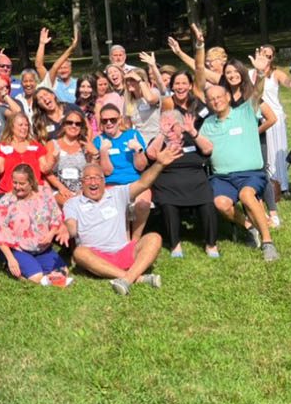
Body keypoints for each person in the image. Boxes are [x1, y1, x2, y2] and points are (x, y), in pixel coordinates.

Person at [63, 152, 180, 296]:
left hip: (124, 251)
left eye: (97, 178)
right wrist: (66, 228)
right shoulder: (72, 204)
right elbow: (71, 227)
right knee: (79, 253)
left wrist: (159, 164)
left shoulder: (118, 193)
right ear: (82, 182)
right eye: (88, 178)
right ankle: (137, 277)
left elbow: (143, 183)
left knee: (154, 237)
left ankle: (127, 279)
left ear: (104, 181)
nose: (93, 182)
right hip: (97, 257)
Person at [201, 83, 280, 262]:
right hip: (222, 177)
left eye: (219, 97)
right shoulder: (207, 124)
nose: (216, 101)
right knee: (220, 203)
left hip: (250, 173)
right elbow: (201, 146)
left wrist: (260, 74)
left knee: (246, 195)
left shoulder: (245, 112)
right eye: (211, 99)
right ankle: (249, 226)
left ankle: (268, 242)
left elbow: (258, 92)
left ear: (228, 97)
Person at [146, 111, 218, 257]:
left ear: (181, 126)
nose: (169, 129)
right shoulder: (159, 142)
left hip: (197, 184)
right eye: (165, 125)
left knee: (207, 202)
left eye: (173, 126)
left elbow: (209, 148)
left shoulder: (191, 139)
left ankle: (211, 244)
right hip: (168, 185)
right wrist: (162, 134)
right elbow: (151, 154)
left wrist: (192, 131)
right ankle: (175, 245)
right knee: (168, 203)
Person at [0, 164, 68, 285]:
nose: (17, 187)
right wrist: (11, 259)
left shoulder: (45, 193)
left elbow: (56, 215)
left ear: (31, 182)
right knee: (36, 278)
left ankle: (33, 264)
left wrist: (51, 234)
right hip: (17, 249)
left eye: (22, 184)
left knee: (63, 273)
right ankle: (10, 265)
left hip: (42, 248)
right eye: (15, 182)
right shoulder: (6, 201)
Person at [93, 104, 151, 241]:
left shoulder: (133, 135)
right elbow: (107, 172)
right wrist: (103, 152)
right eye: (104, 120)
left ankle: (135, 240)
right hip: (112, 183)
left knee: (143, 204)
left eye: (112, 119)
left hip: (135, 182)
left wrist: (138, 150)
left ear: (119, 120)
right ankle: (124, 241)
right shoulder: (99, 141)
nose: (108, 123)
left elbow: (141, 167)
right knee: (118, 208)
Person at [252, 45, 291, 200]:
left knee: (276, 151)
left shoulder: (276, 74)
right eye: (263, 54)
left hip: (275, 117)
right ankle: (263, 183)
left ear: (272, 58)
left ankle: (282, 185)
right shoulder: (251, 73)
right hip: (256, 115)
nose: (266, 58)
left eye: (269, 56)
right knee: (261, 151)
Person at [0, 111, 52, 199]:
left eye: (26, 125)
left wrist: (54, 158)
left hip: (34, 193)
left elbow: (44, 169)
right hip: (9, 193)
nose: (24, 128)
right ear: (12, 127)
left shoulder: (35, 145)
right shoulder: (3, 146)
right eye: (21, 125)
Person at [46, 111, 98, 206]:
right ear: (64, 125)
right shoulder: (53, 144)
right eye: (70, 122)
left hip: (83, 190)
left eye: (78, 124)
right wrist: (61, 188)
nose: (73, 126)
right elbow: (47, 171)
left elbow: (92, 171)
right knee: (70, 205)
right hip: (60, 190)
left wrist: (95, 154)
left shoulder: (86, 146)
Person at [34, 27, 79, 103]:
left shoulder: (78, 83)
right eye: (60, 68)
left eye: (65, 67)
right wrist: (42, 44)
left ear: (70, 68)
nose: (62, 70)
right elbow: (39, 66)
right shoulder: (52, 81)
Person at [123, 67, 161, 143]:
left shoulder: (154, 92)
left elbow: (150, 99)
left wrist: (140, 81)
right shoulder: (128, 101)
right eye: (127, 80)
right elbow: (127, 126)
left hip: (156, 138)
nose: (128, 83)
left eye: (132, 80)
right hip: (139, 141)